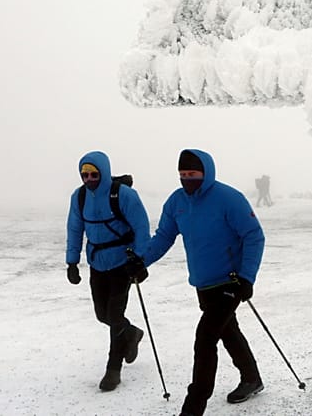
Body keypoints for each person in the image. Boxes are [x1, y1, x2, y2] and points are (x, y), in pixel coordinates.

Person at [134, 149, 266, 416]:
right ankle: (252, 378)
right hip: (202, 283)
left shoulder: (229, 199)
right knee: (227, 331)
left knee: (205, 339)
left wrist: (246, 277)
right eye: (182, 175)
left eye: (192, 174)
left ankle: (193, 407)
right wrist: (141, 261)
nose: (187, 179)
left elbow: (254, 235)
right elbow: (163, 237)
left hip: (229, 283)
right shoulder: (176, 202)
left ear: (205, 173)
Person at [65, 151, 151, 392]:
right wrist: (72, 262)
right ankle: (131, 333)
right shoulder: (79, 197)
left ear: (103, 172)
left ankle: (113, 370)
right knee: (102, 315)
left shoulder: (124, 195)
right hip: (97, 264)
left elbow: (142, 228)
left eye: (94, 174)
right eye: (85, 174)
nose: (89, 179)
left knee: (114, 315)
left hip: (122, 263)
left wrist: (140, 260)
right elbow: (74, 228)